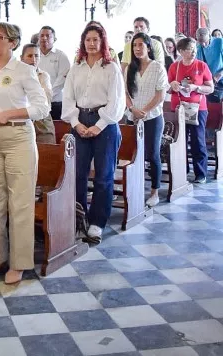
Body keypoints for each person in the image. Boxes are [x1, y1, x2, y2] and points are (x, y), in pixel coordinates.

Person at [0, 22, 49, 284]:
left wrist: (10, 114)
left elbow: (42, 108)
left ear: (13, 43)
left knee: (20, 202)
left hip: (17, 137)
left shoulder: (24, 71)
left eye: (0, 37)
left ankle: (20, 262)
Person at [61, 25, 126, 243]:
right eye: (88, 40)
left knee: (104, 176)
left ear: (102, 42)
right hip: (80, 121)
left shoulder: (111, 68)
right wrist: (76, 123)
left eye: (95, 40)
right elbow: (68, 97)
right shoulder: (77, 67)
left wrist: (99, 125)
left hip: (105, 124)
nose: (91, 44)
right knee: (78, 175)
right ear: (83, 42)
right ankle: (80, 220)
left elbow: (117, 101)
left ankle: (97, 222)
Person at [125, 33, 168, 207]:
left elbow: (160, 94)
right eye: (134, 45)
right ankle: (134, 189)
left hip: (152, 117)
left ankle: (154, 192)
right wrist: (132, 109)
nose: (137, 48)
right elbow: (125, 93)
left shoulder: (158, 67)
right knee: (133, 155)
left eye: (141, 45)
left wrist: (144, 110)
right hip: (133, 117)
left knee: (152, 154)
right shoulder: (129, 68)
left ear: (148, 47)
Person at [168, 37, 214, 183]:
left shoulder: (202, 66)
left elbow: (210, 88)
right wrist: (173, 85)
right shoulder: (174, 67)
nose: (193, 52)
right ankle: (182, 171)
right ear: (181, 51)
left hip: (198, 109)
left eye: (194, 48)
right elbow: (167, 89)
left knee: (197, 140)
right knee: (179, 141)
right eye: (189, 49)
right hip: (178, 109)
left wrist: (197, 88)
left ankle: (200, 173)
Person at [21, 43, 55, 143]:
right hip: (22, 118)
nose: (34, 59)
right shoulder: (16, 76)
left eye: (36, 56)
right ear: (22, 58)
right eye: (30, 56)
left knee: (46, 152)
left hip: (41, 119)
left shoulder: (43, 76)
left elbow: (46, 97)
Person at [38, 26, 71, 120]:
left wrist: (48, 95)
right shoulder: (34, 55)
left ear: (54, 39)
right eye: (42, 36)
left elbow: (62, 80)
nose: (44, 38)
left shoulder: (61, 56)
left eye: (48, 36)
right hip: (36, 103)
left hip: (56, 102)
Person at [196, 27, 223, 103]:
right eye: (200, 42)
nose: (203, 44)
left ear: (210, 36)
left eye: (205, 41)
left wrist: (219, 74)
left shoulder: (220, 42)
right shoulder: (198, 47)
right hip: (210, 82)